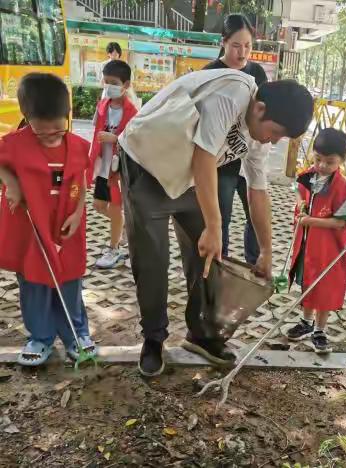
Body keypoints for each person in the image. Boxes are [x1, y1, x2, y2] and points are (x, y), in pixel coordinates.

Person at [118, 68, 313, 377]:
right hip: (147, 164)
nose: (274, 141)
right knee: (153, 260)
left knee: (208, 256)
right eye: (276, 133)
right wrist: (214, 225)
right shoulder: (231, 93)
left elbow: (258, 191)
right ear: (260, 109)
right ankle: (153, 339)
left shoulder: (259, 135)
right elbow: (204, 156)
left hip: (190, 177)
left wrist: (265, 250)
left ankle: (202, 334)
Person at [0, 73, 96, 366]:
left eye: (59, 127)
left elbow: (81, 181)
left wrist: (79, 213)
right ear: (27, 117)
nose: (53, 135)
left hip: (66, 230)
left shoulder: (78, 146)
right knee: (34, 285)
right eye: (43, 131)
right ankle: (40, 337)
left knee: (69, 284)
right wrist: (11, 183)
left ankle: (76, 335)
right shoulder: (14, 144)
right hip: (31, 230)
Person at [287, 128, 346, 353]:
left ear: (342, 161)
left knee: (325, 288)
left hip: (328, 250)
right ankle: (306, 323)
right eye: (318, 159)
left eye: (330, 162)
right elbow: (299, 190)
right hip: (307, 247)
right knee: (308, 284)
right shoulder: (309, 175)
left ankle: (320, 329)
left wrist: (311, 221)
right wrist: (300, 204)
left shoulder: (344, 190)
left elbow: (341, 222)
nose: (322, 166)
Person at [203, 14, 268, 265]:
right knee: (221, 216)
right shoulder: (210, 73)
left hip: (250, 156)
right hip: (222, 162)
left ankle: (253, 263)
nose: (242, 54)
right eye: (236, 46)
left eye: (248, 46)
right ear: (224, 42)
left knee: (255, 214)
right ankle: (221, 263)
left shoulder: (257, 72)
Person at [89, 60, 137, 269]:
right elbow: (94, 132)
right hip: (103, 167)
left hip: (119, 170)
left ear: (125, 84)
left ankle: (114, 248)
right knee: (99, 206)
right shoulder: (102, 106)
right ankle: (124, 227)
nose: (108, 86)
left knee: (115, 208)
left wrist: (115, 138)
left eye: (113, 82)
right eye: (106, 81)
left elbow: (136, 140)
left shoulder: (133, 112)